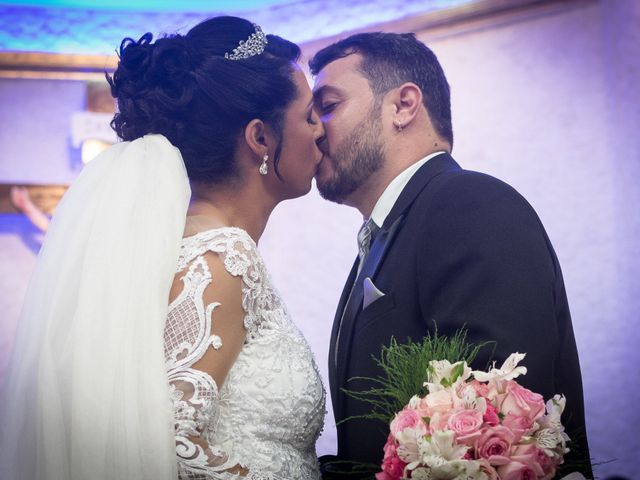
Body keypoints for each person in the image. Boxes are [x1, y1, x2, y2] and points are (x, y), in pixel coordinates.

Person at [0, 16, 326, 480]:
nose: (320, 131)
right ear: (260, 138)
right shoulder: (221, 259)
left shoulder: (192, 245)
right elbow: (171, 445)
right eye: (311, 115)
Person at [309, 32, 592, 478]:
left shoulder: (468, 203)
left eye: (328, 105)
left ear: (403, 105)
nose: (315, 128)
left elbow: (502, 419)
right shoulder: (387, 235)